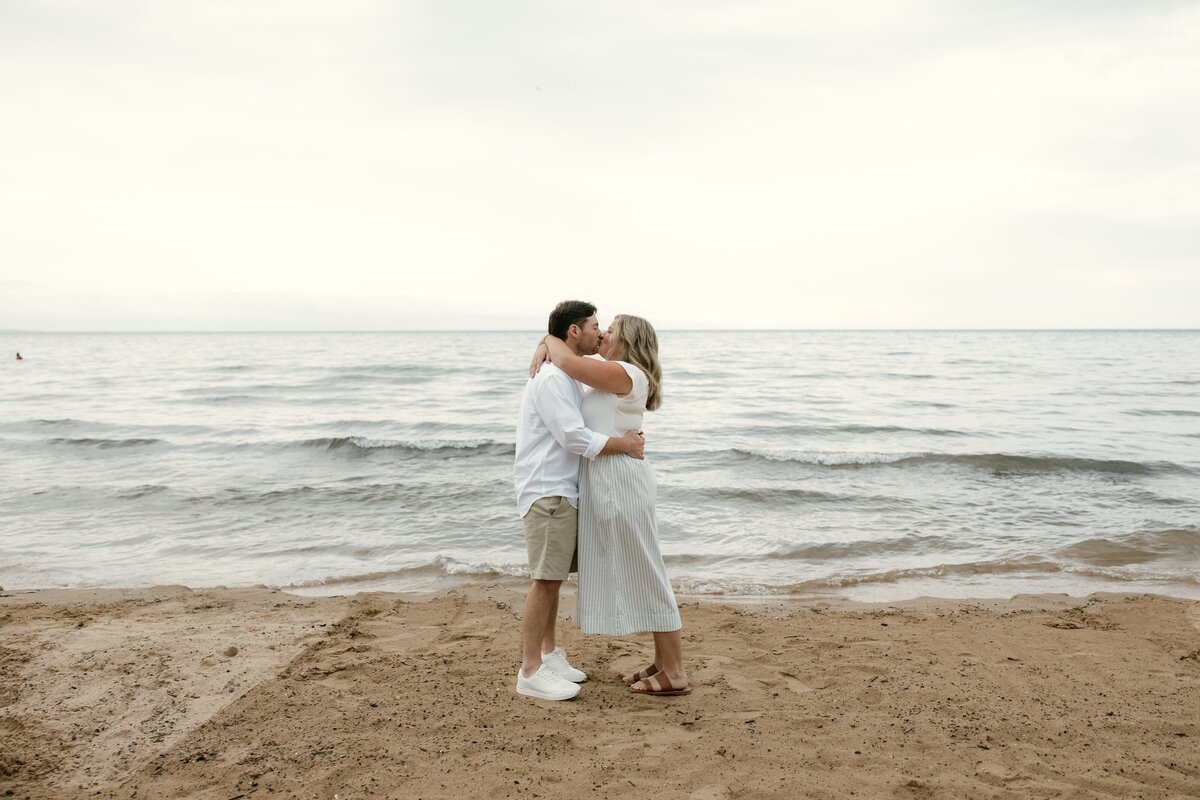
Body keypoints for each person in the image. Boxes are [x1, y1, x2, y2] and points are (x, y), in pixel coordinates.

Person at [533, 314, 690, 696]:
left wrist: (545, 340)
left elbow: (568, 362)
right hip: (610, 478)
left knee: (648, 570)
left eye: (612, 329)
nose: (603, 333)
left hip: (620, 480)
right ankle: (662, 661)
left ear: (627, 341)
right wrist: (548, 344)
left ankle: (676, 672)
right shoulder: (616, 374)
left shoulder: (626, 372)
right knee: (641, 566)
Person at [513, 300, 646, 701]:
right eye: (594, 326)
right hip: (548, 489)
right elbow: (572, 436)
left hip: (563, 489)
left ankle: (549, 655)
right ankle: (530, 670)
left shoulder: (568, 374)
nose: (600, 333)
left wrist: (546, 341)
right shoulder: (554, 379)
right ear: (574, 332)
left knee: (555, 581)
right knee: (546, 581)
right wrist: (622, 444)